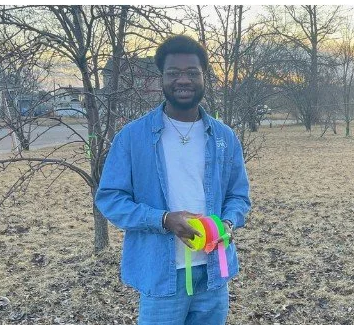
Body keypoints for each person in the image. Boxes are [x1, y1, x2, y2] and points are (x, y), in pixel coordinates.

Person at [97, 35, 251, 325]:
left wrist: (227, 223)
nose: (184, 80)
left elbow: (239, 196)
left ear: (205, 78)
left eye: (192, 73)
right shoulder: (133, 137)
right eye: (174, 73)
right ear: (162, 79)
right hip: (161, 275)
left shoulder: (224, 137)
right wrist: (164, 219)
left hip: (213, 274)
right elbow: (110, 198)